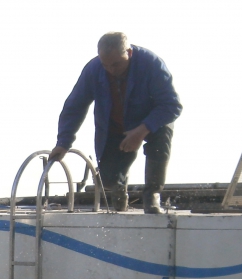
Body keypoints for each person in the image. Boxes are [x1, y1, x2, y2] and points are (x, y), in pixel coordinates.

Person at [49, 32, 182, 214]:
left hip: (152, 122)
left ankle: (152, 195)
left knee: (160, 141)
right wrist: (63, 143)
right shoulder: (93, 69)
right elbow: (74, 107)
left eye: (116, 64)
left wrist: (142, 130)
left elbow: (172, 105)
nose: (111, 70)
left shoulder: (151, 64)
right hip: (115, 126)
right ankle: (118, 188)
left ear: (129, 53)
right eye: (106, 65)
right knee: (108, 178)